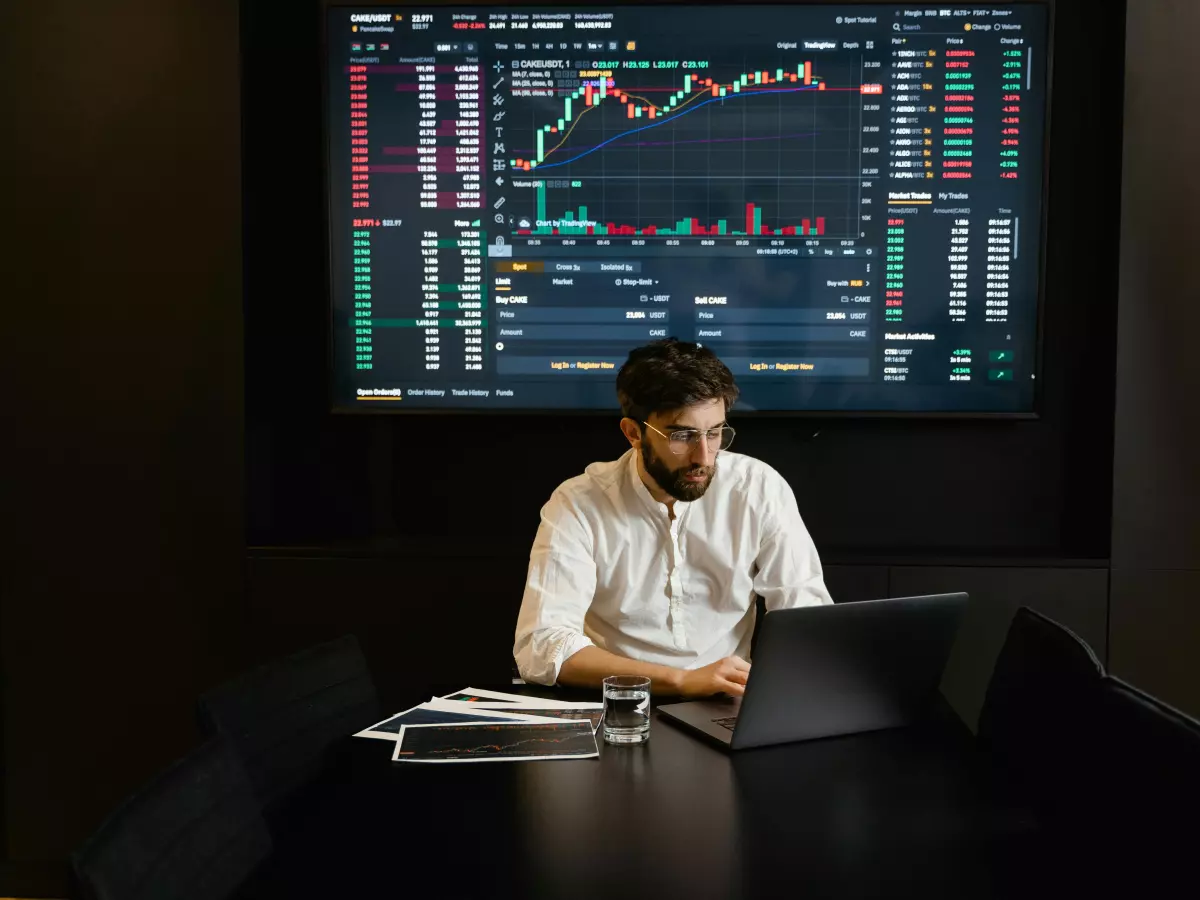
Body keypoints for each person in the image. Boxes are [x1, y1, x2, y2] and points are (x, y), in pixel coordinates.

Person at [513, 339, 832, 697]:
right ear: (633, 433)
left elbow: (806, 621)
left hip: (728, 706)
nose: (705, 457)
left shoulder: (757, 487)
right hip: (619, 707)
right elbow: (541, 647)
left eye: (715, 433)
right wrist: (681, 681)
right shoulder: (579, 503)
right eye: (683, 435)